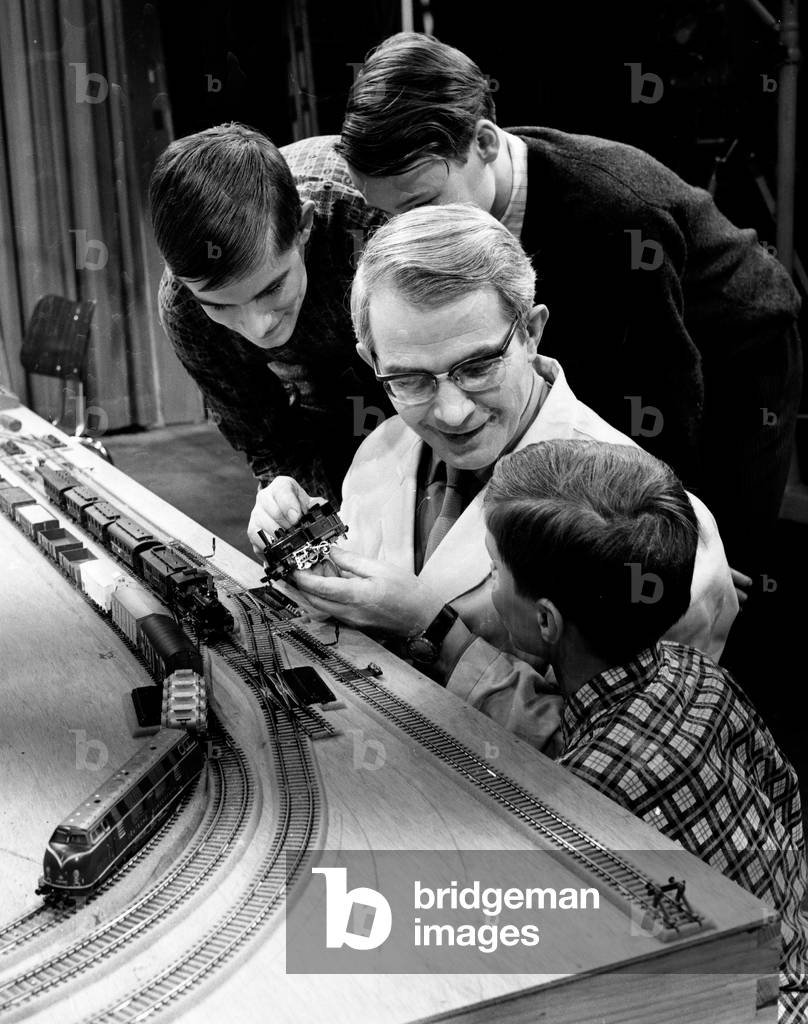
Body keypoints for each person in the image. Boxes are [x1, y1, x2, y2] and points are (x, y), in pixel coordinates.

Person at [249, 203, 738, 750]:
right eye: (409, 379)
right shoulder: (378, 456)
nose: (452, 413)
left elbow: (628, 760)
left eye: (478, 367)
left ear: (532, 332)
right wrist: (300, 545)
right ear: (371, 360)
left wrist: (429, 628)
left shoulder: (656, 533)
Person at [334, 32, 802, 578]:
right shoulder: (439, 182)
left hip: (734, 345)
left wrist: (683, 545)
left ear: (485, 144)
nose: (411, 230)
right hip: (616, 318)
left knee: (706, 557)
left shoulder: (611, 215)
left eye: (421, 204)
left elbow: (662, 390)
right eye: (388, 215)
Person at [480, 438, 807, 1023]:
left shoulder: (582, 802)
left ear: (546, 619)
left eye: (493, 570)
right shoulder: (699, 673)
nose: (491, 585)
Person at [149, 123, 390, 505]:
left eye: (271, 289)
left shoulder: (371, 225)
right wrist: (309, 519)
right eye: (220, 305)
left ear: (304, 227)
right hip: (315, 397)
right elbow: (265, 438)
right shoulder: (183, 307)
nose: (258, 326)